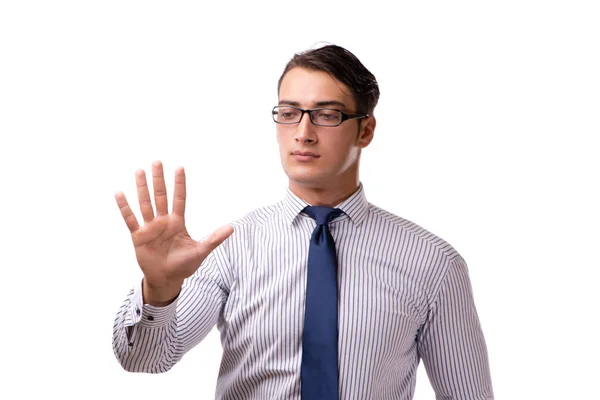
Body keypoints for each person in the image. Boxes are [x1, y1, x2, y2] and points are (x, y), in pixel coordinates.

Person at [112, 44, 494, 399]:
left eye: (327, 115)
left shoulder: (433, 263)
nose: (303, 133)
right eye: (289, 113)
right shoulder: (230, 247)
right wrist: (159, 290)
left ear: (366, 130)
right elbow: (146, 360)